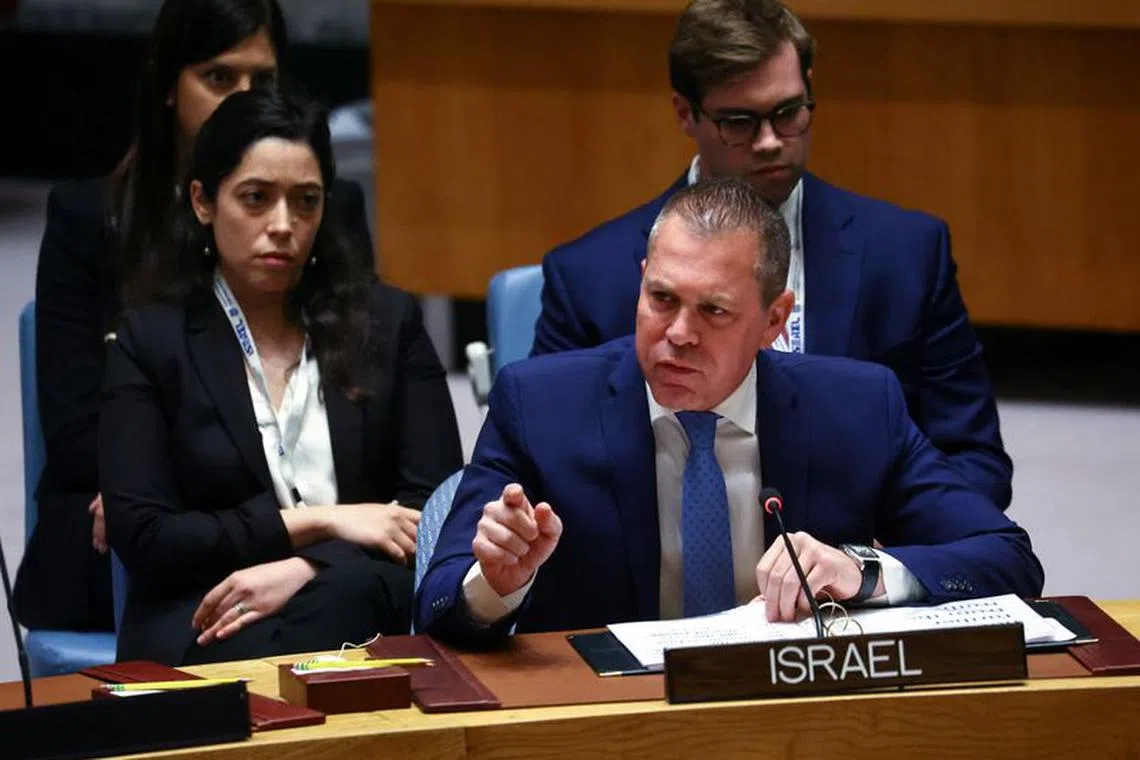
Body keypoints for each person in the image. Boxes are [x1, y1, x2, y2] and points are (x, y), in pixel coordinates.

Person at [417, 178, 1042, 647]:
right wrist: (495, 583)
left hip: (793, 714)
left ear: (775, 320)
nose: (679, 333)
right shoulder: (539, 404)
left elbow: (1007, 557)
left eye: (714, 311)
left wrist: (862, 571)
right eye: (661, 298)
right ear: (641, 281)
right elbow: (438, 601)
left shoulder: (857, 406)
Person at [530, 0, 1012, 512]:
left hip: (854, 574)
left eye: (788, 113)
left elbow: (973, 459)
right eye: (739, 122)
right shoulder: (588, 277)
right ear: (684, 114)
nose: (769, 142)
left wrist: (878, 560)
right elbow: (544, 459)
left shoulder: (908, 255)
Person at [14, 0, 373, 632]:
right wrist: (154, 496)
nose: (241, 101)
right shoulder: (89, 219)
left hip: (293, 508)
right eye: (218, 78)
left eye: (261, 81)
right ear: (168, 88)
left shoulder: (329, 211)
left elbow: (358, 394)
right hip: (135, 521)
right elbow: (73, 439)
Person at [101, 89, 462, 665]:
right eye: (255, 198)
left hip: (360, 599)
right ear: (203, 201)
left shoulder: (386, 324)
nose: (283, 225)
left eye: (305, 201)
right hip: (208, 612)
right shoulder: (151, 343)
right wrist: (315, 522)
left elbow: (437, 507)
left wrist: (308, 566)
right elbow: (147, 537)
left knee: (345, 602)